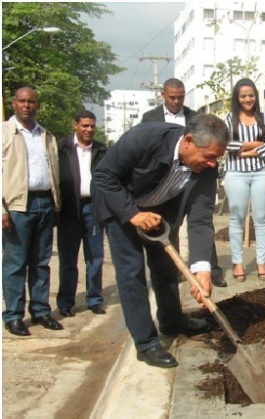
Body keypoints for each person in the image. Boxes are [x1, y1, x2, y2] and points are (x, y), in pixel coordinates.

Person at [92, 114, 229, 368]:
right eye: (209, 156)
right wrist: (133, 214)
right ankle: (146, 343)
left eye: (217, 158)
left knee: (167, 268)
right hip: (120, 206)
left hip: (160, 207)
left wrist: (202, 269)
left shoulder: (207, 168)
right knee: (132, 272)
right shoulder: (143, 139)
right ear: (188, 141)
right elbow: (103, 176)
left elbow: (200, 219)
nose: (212, 164)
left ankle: (172, 320)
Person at [141, 78, 226, 287]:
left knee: (200, 220)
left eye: (180, 97)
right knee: (170, 228)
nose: (176, 101)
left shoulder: (194, 117)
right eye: (172, 97)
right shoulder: (150, 118)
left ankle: (208, 269)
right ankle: (174, 271)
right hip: (165, 182)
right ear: (163, 95)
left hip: (194, 177)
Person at [2, 86, 63, 336]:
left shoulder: (45, 135)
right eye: (22, 101)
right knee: (16, 262)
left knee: (41, 262)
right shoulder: (5, 133)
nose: (27, 105)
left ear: (37, 105)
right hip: (17, 206)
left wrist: (56, 204)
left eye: (31, 102)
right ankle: (14, 315)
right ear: (14, 104)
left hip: (44, 203)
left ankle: (40, 311)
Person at [224, 78, 265, 281]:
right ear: (238, 98)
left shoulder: (264, 118)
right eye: (243, 96)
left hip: (261, 173)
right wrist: (256, 144)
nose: (248, 99)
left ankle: (261, 261)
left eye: (251, 95)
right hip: (235, 174)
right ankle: (237, 262)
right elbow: (226, 144)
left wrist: (247, 151)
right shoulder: (229, 120)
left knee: (261, 218)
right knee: (236, 217)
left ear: (256, 96)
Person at [56, 110, 108, 317]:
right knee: (68, 258)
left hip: (93, 208)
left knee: (95, 257)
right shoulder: (61, 148)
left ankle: (94, 299)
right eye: (85, 125)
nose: (89, 129)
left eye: (92, 126)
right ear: (75, 125)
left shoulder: (102, 150)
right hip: (69, 209)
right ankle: (66, 302)